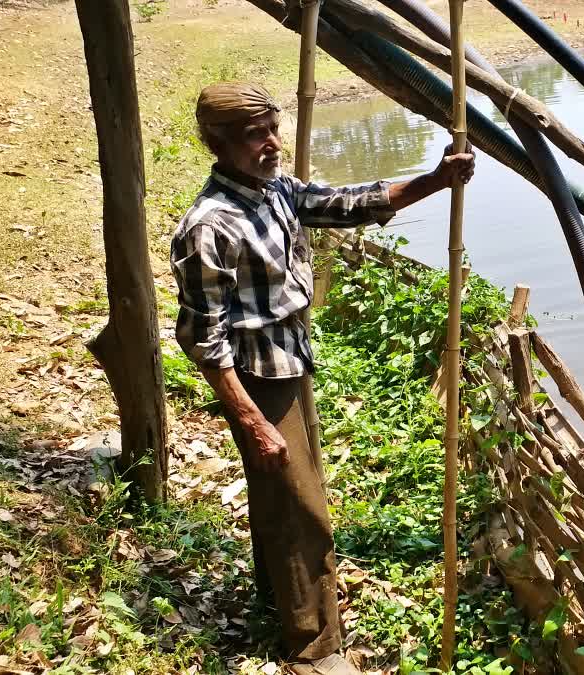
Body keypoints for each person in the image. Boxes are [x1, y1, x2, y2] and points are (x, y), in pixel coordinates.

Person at [170, 82, 474, 675]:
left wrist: (436, 179)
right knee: (303, 512)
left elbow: (347, 203)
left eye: (271, 128)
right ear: (219, 142)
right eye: (256, 135)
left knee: (280, 498)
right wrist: (254, 422)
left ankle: (276, 599)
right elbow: (203, 342)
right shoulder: (210, 226)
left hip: (291, 360)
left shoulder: (274, 191)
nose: (272, 143)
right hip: (258, 378)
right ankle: (314, 647)